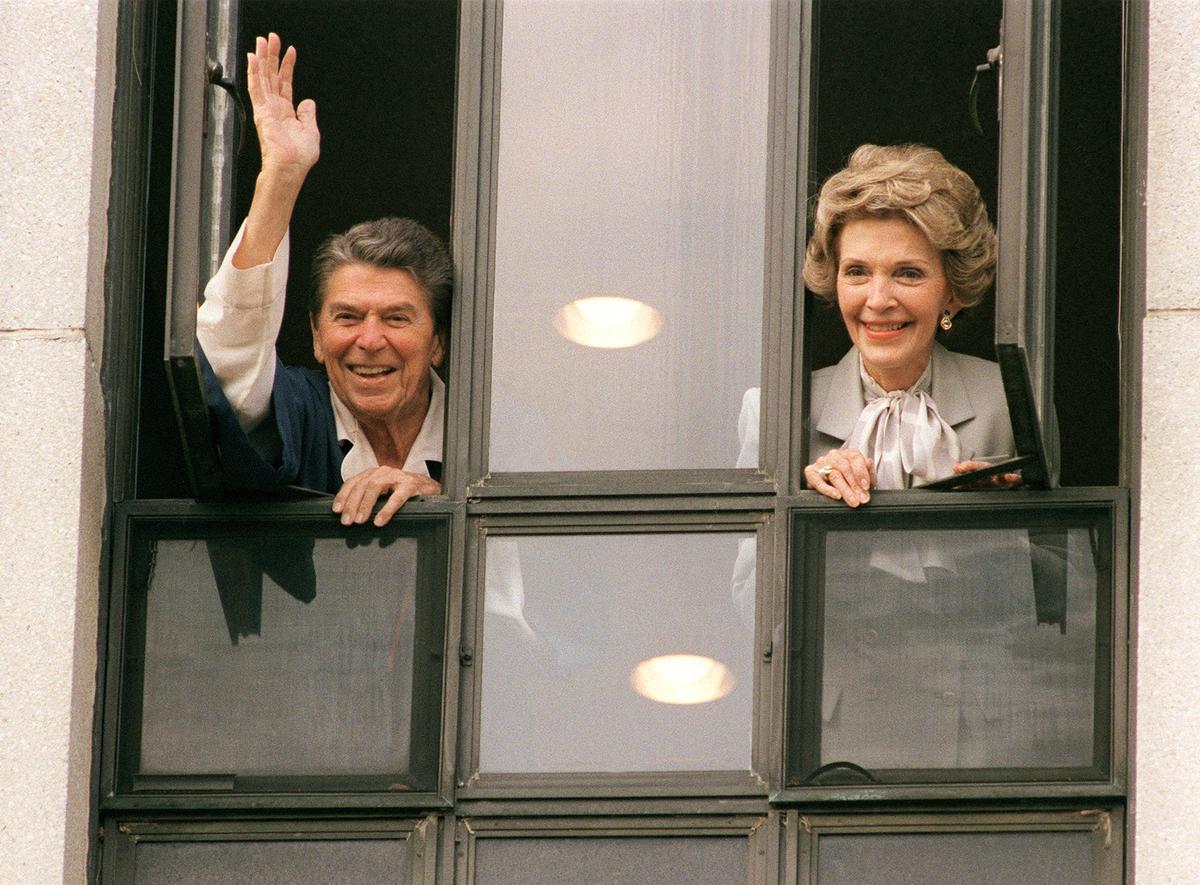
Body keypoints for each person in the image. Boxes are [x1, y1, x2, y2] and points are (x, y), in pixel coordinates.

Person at [196, 33, 450, 526]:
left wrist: (440, 501)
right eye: (347, 317)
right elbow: (227, 364)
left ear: (437, 341)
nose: (369, 340)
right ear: (315, 335)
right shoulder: (296, 407)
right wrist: (282, 178)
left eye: (397, 318)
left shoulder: (493, 437)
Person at [798, 142, 1018, 504]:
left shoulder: (1009, 402)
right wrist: (806, 499)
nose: (879, 300)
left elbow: (1060, 558)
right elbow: (753, 561)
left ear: (953, 291)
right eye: (857, 271)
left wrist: (1000, 521)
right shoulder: (783, 414)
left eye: (908, 274)